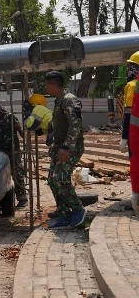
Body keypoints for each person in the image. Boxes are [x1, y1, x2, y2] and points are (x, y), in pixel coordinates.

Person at [44, 71, 86, 229]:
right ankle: (64, 211)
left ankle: (77, 210)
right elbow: (59, 126)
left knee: (60, 178)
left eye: (47, 85)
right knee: (52, 179)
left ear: (53, 85)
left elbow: (75, 126)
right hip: (60, 146)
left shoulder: (69, 100)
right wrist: (55, 146)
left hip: (70, 147)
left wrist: (66, 148)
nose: (46, 88)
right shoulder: (59, 101)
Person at [0, 106, 28, 208]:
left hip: (13, 150)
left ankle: (22, 198)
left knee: (16, 172)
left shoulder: (10, 117)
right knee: (0, 175)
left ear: (1, 111)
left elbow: (18, 127)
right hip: (0, 153)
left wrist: (25, 140)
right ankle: (0, 199)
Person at [122, 52, 139, 215]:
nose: (129, 69)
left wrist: (124, 137)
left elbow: (129, 114)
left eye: (131, 66)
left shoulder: (133, 86)